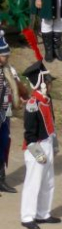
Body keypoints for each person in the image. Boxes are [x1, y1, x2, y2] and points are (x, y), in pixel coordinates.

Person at [20, 54, 61, 229]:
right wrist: (38, 153)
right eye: (48, 82)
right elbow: (29, 134)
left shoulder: (47, 100)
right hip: (35, 146)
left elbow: (51, 122)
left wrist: (54, 143)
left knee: (48, 181)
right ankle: (27, 216)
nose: (51, 84)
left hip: (47, 142)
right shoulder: (32, 104)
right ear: (41, 83)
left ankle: (43, 213)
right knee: (33, 183)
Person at [0, 31, 23, 194]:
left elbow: (18, 88)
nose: (6, 58)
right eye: (3, 56)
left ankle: (1, 180)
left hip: (5, 112)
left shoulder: (9, 70)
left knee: (2, 144)